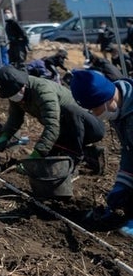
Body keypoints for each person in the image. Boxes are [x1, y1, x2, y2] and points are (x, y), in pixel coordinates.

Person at [0, 65, 106, 173]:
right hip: (65, 129)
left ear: (22, 86)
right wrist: (5, 135)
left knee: (71, 112)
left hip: (90, 128)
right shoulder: (16, 94)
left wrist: (37, 153)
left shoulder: (43, 91)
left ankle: (74, 159)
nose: (12, 98)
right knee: (50, 159)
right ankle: (92, 154)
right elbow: (15, 118)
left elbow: (52, 125)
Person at [69, 69, 133, 237]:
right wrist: (122, 183)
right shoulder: (121, 110)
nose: (96, 114)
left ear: (108, 97)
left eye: (96, 108)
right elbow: (129, 150)